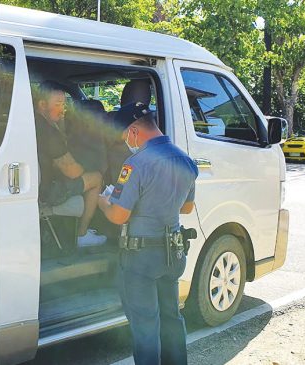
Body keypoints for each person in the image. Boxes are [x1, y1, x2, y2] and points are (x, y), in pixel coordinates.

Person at [98, 102, 198, 365]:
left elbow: (119, 215)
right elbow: (187, 207)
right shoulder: (185, 160)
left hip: (140, 257)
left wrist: (103, 202)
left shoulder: (135, 163)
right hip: (173, 253)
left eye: (125, 136)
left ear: (133, 131)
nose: (127, 142)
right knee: (172, 318)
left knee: (145, 326)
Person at [34, 80, 107, 247]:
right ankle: (81, 235)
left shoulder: (35, 122)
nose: (63, 109)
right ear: (43, 104)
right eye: (58, 104)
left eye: (65, 103)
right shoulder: (48, 132)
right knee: (96, 178)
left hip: (39, 184)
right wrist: (84, 167)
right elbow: (73, 172)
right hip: (47, 191)